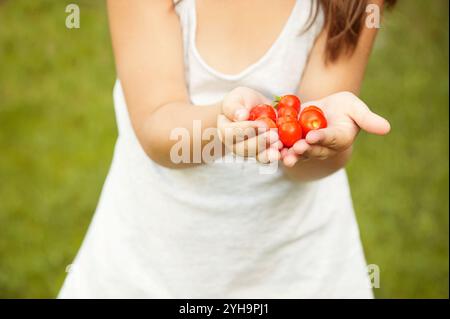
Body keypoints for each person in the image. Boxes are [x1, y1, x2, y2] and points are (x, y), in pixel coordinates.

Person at [59, 0, 394, 298]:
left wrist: (319, 142)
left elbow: (308, 159)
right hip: (155, 262)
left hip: (299, 267)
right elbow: (155, 125)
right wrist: (223, 124)